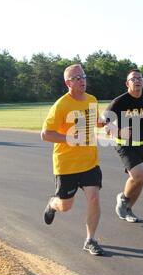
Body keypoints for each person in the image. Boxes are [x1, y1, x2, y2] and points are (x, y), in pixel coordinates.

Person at [40, 64, 106, 256]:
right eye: (77, 78)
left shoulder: (92, 100)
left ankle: (90, 240)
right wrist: (70, 139)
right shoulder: (61, 105)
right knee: (65, 206)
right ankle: (53, 204)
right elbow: (45, 134)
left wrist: (105, 123)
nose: (82, 80)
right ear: (68, 82)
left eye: (83, 76)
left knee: (94, 198)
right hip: (66, 164)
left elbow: (94, 122)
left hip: (89, 162)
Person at [104, 69, 143, 223]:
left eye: (140, 78)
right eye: (133, 78)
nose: (137, 81)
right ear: (127, 83)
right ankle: (123, 198)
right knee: (139, 175)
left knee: (141, 180)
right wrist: (119, 132)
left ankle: (128, 207)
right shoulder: (119, 101)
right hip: (125, 145)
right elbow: (105, 124)